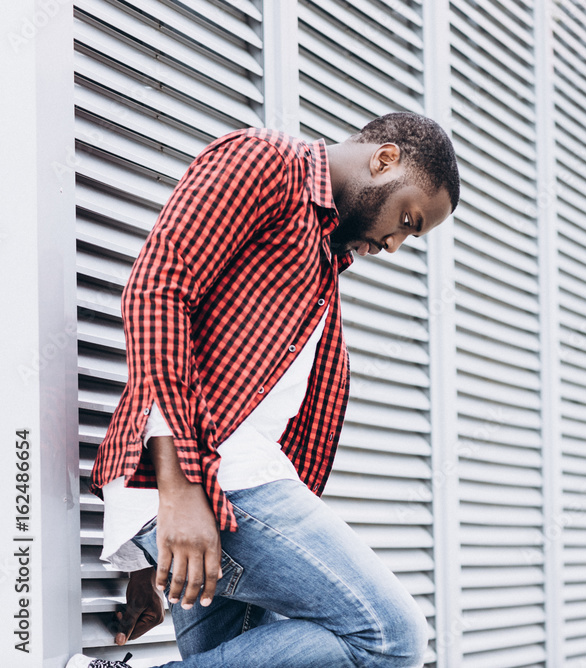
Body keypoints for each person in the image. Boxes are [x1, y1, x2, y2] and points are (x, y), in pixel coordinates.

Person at [67, 112, 460, 668]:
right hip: (210, 475)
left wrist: (142, 551)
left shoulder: (324, 261)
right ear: (386, 159)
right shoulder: (269, 163)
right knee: (389, 637)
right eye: (407, 220)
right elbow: (159, 290)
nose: (395, 245)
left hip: (215, 492)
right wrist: (176, 488)